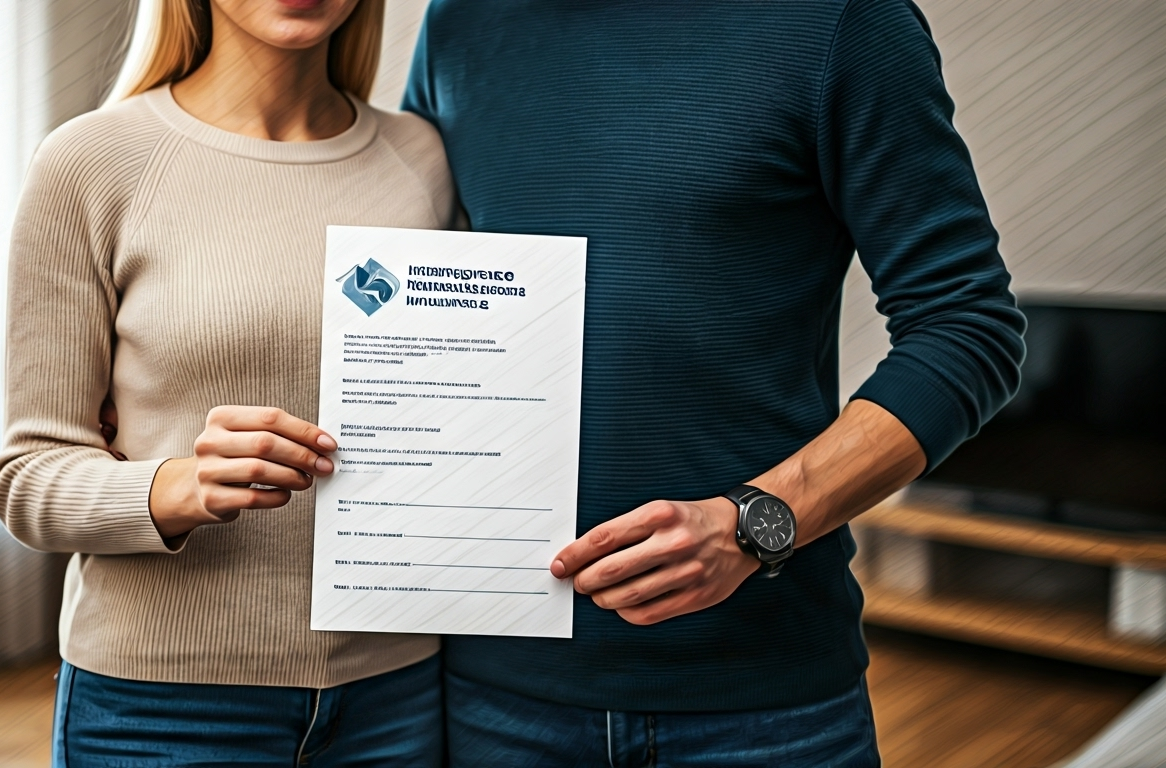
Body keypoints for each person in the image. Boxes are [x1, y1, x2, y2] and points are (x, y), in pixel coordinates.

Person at [403, 0, 1026, 765]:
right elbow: (423, 305)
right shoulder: (462, 22)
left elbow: (967, 325)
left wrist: (757, 522)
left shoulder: (843, 20)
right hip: (489, 699)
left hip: (761, 708)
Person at [0, 0, 455, 764]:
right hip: (160, 709)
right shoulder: (89, 161)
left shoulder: (423, 161)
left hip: (397, 696)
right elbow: (28, 481)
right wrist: (182, 487)